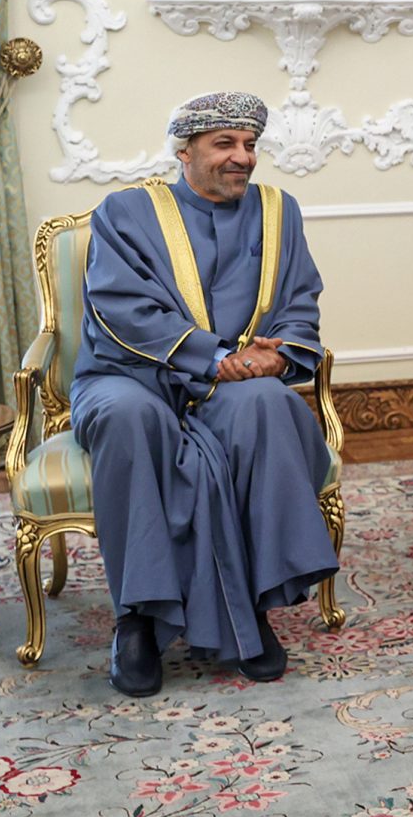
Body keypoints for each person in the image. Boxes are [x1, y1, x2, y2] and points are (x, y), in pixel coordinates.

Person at [71, 91, 339, 698]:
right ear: (185, 151)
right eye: (225, 143)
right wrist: (217, 359)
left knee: (270, 405)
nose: (242, 156)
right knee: (129, 419)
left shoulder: (278, 210)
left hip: (235, 382)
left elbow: (299, 298)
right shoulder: (126, 211)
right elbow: (121, 307)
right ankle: (138, 618)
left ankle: (253, 606)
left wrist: (277, 355)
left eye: (250, 144)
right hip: (130, 375)